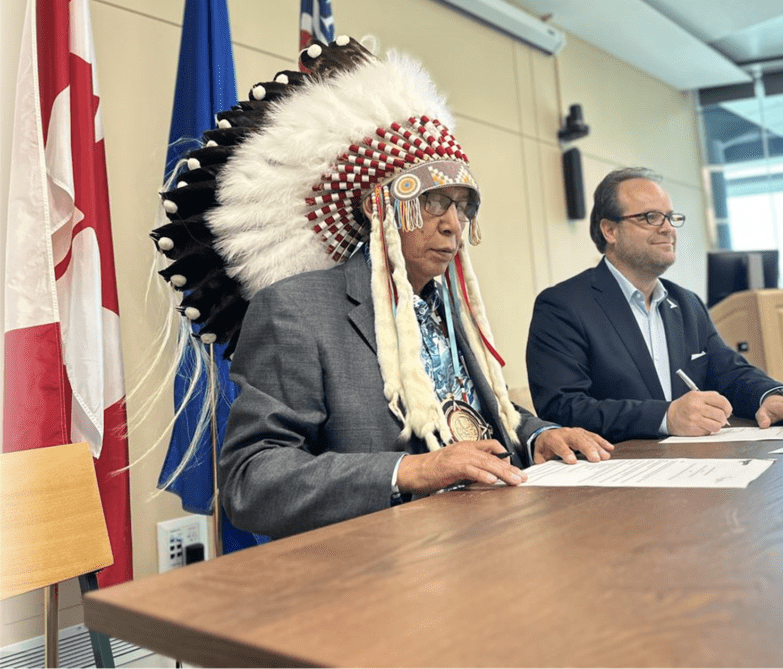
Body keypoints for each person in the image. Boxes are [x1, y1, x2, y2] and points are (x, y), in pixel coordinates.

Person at [152, 36, 611, 540]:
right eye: (434, 201)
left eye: (464, 206)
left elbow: (480, 413)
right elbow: (251, 480)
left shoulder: (443, 303)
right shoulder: (295, 310)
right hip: (378, 561)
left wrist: (540, 436)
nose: (454, 225)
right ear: (379, 208)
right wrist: (408, 473)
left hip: (486, 533)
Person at [526, 167, 783, 444]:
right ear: (610, 230)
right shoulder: (563, 306)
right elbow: (563, 408)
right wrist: (665, 417)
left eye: (670, 217)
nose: (667, 229)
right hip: (616, 478)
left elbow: (729, 372)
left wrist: (768, 395)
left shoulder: (686, 303)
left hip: (694, 472)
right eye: (650, 217)